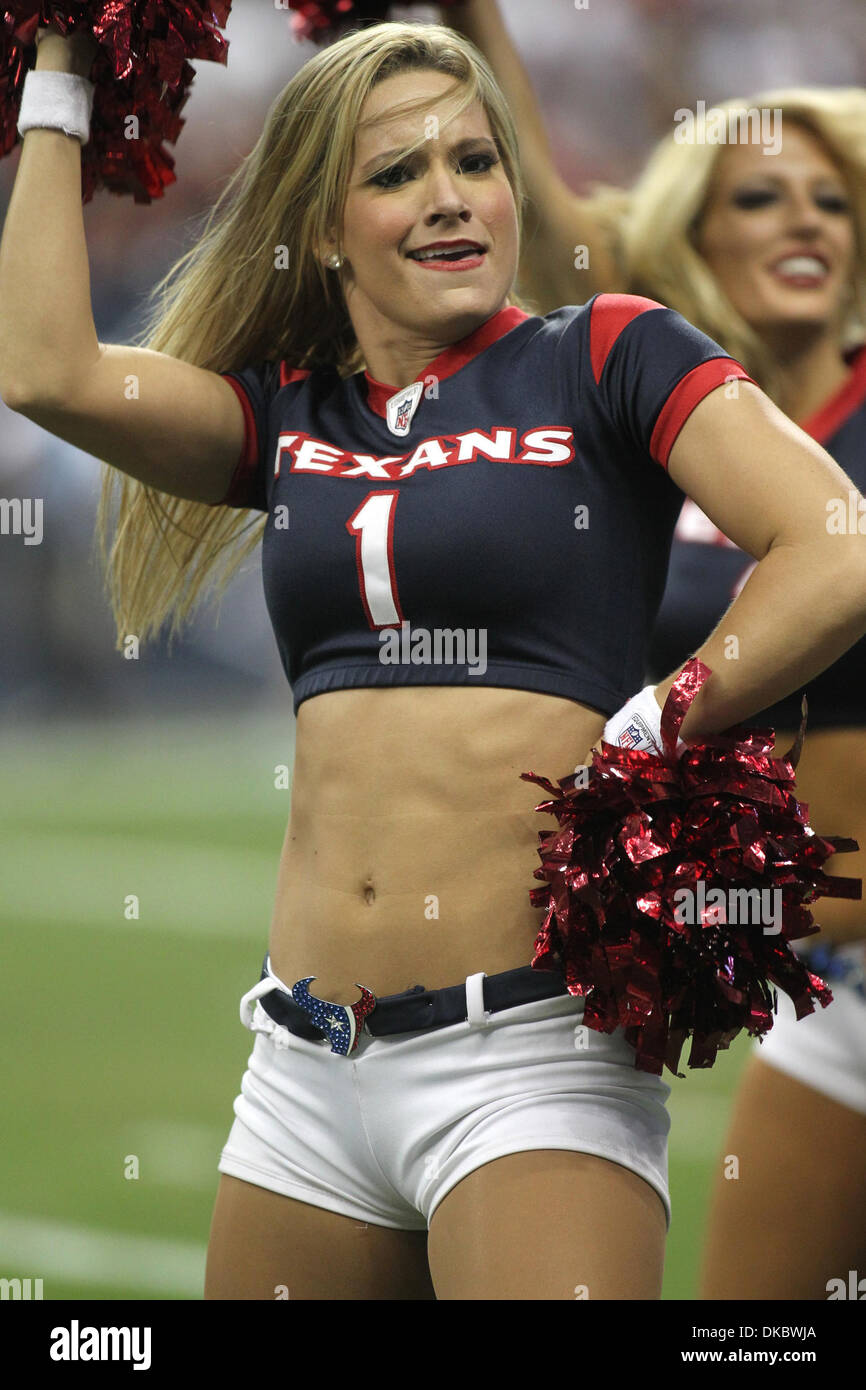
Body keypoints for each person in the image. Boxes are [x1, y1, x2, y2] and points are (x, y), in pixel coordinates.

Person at [2, 19, 865, 1304]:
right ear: (325, 223)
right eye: (396, 173)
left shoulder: (607, 354)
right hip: (299, 1058)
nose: (449, 197)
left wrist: (660, 716)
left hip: (527, 1057)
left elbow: (835, 544)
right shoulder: (291, 412)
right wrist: (63, 74)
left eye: (474, 161)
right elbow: (46, 369)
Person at [447, 1, 866, 1298]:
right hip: (836, 988)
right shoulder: (682, 429)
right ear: (692, 239)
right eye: (756, 197)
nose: (802, 220)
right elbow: (562, 239)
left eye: (830, 201)